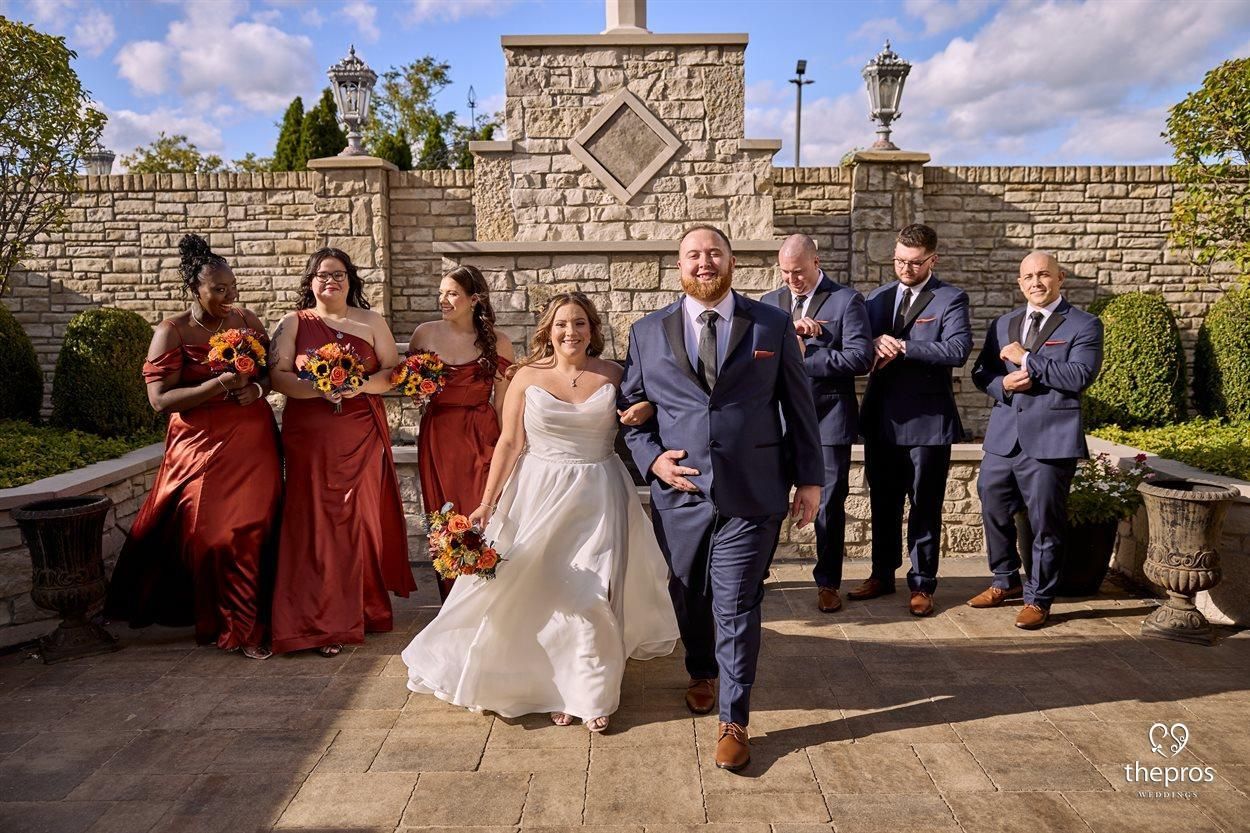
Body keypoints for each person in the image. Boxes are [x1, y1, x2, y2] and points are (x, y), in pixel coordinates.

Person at [402, 292, 678, 733]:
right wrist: (487, 504)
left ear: (593, 330)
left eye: (580, 324)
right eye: (562, 324)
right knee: (548, 591)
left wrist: (647, 410)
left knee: (590, 594)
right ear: (548, 331)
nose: (571, 332)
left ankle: (590, 692)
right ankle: (554, 688)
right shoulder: (526, 377)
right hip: (538, 493)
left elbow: (651, 412)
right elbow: (509, 442)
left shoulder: (616, 374)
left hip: (600, 492)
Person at [619, 224, 823, 772]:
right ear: (678, 266)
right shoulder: (647, 332)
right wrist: (653, 459)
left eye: (714, 253)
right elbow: (632, 414)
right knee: (689, 592)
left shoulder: (772, 324)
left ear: (732, 261)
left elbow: (799, 407)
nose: (704, 263)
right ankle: (700, 669)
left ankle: (734, 720)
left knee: (735, 601)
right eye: (693, 255)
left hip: (752, 490)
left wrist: (811, 480)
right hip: (680, 494)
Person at [105, 234, 281, 660]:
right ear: (195, 289)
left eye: (232, 288)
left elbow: (270, 374)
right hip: (199, 446)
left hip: (252, 442)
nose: (228, 296)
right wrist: (215, 384)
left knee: (256, 531)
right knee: (212, 535)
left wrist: (256, 391)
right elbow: (159, 400)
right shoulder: (172, 332)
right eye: (219, 289)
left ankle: (247, 627)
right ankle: (218, 618)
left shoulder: (246, 321)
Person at [268, 247, 415, 656]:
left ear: (350, 281)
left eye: (339, 275)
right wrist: (317, 387)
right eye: (322, 274)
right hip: (310, 437)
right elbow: (277, 376)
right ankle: (318, 620)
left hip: (360, 433)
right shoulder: (292, 322)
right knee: (314, 521)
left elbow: (391, 372)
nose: (331, 281)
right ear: (310, 281)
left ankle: (361, 610)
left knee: (356, 521)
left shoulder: (371, 321)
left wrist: (359, 386)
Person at [968, 252, 1104, 629]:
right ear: (1019, 282)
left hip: (1050, 441)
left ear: (1060, 278)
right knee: (992, 506)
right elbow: (982, 373)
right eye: (1028, 276)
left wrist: (1027, 359)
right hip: (1003, 438)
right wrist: (1003, 385)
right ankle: (1005, 580)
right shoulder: (1004, 323)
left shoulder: (1084, 324)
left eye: (1043, 275)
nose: (1035, 282)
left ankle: (1039, 598)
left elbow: (1079, 375)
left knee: (1046, 522)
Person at [852, 223, 972, 617]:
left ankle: (922, 585)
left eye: (915, 263)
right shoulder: (877, 298)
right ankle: (882, 575)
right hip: (882, 419)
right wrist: (871, 343)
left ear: (932, 260)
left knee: (924, 505)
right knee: (883, 503)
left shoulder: (950, 298)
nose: (905, 269)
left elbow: (956, 350)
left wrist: (903, 345)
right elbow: (856, 346)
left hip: (928, 421)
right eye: (899, 261)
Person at [761, 234, 873, 614]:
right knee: (767, 500)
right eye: (786, 272)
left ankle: (828, 583)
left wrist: (812, 351)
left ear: (816, 262)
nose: (792, 279)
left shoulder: (846, 301)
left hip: (828, 421)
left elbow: (861, 359)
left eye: (799, 271)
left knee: (828, 507)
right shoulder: (769, 303)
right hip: (775, 422)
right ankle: (756, 575)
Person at [408, 265, 515, 602]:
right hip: (438, 436)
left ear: (474, 299)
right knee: (443, 516)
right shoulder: (424, 334)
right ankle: (452, 601)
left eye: (452, 293)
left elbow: (504, 403)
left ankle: (485, 598)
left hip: (481, 435)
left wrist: (509, 447)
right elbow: (412, 390)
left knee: (482, 513)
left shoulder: (498, 341)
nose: (443, 300)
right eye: (441, 293)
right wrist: (415, 391)